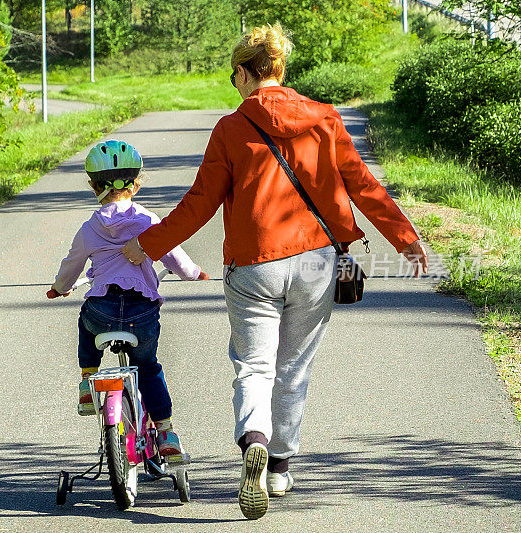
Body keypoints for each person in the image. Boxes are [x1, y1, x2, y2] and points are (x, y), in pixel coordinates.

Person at [122, 24, 428, 519]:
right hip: (317, 263)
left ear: (246, 72)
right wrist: (405, 239)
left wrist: (147, 246)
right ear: (280, 71)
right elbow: (363, 184)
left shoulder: (230, 130)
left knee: (255, 366)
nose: (234, 86)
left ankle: (254, 447)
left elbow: (200, 204)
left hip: (254, 265)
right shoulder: (324, 119)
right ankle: (280, 469)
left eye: (234, 76)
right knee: (293, 368)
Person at [48, 139, 208, 458]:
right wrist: (194, 273)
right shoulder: (149, 221)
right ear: (136, 185)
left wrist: (60, 286)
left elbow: (72, 265)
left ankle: (88, 378)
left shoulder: (89, 228)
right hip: (141, 314)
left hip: (102, 310)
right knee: (148, 368)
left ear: (93, 186)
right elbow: (174, 256)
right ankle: (165, 433)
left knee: (85, 322)